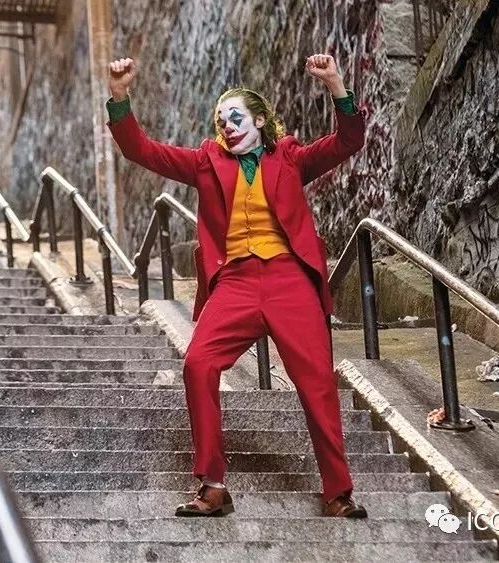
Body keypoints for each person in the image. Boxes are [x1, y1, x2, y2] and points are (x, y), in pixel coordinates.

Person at [105, 54, 367, 518]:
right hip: (235, 282)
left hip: (289, 279)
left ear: (260, 120)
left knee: (317, 381)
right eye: (221, 120)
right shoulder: (206, 162)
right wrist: (120, 96)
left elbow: (348, 141)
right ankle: (213, 485)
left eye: (236, 117)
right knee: (198, 363)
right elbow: (141, 150)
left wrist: (335, 84)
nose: (227, 126)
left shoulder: (290, 157)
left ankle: (337, 491)